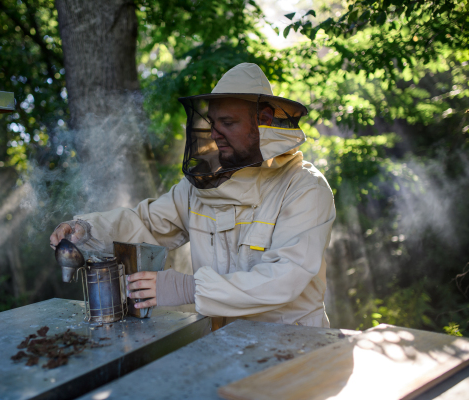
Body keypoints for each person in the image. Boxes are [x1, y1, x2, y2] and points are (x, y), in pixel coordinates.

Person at [50, 63, 336, 328]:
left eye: (228, 122)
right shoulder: (199, 187)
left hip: (293, 351)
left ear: (263, 119)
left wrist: (188, 288)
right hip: (220, 345)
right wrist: (86, 230)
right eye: (213, 123)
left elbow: (284, 279)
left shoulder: (304, 188)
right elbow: (146, 224)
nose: (215, 134)